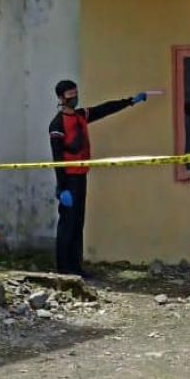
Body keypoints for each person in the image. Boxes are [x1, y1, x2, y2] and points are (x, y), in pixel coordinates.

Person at [49, 80, 147, 276]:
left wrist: (130, 102)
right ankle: (64, 269)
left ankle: (76, 268)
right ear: (60, 98)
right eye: (70, 94)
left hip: (81, 177)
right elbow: (57, 158)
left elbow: (104, 109)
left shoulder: (80, 116)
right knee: (67, 224)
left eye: (75, 93)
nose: (74, 97)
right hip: (69, 179)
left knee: (78, 224)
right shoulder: (57, 124)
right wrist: (61, 188)